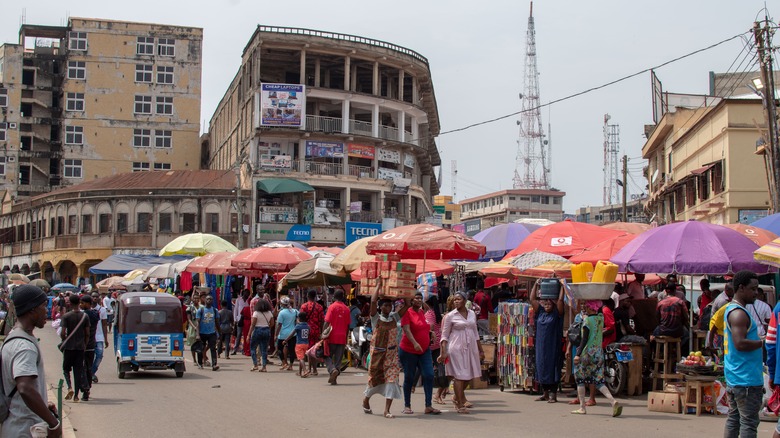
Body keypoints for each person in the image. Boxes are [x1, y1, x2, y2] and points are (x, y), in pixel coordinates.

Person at [1, 284, 61, 438]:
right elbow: (25, 388)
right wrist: (53, 424)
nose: (46, 310)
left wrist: (43, 405)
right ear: (32, 309)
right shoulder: (24, 346)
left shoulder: (14, 336)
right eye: (43, 306)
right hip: (25, 430)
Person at [723, 270, 763, 438]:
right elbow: (740, 343)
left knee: (734, 419)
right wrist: (763, 342)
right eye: (753, 289)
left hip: (736, 377)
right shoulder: (739, 313)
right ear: (741, 288)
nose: (756, 293)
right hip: (745, 379)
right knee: (748, 423)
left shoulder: (733, 310)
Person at [362, 283, 409, 419]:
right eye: (385, 305)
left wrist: (405, 291)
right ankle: (366, 399)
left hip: (392, 356)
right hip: (377, 355)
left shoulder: (394, 317)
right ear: (380, 307)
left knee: (392, 381)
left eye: (390, 305)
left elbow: (407, 306)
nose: (388, 308)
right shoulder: (375, 318)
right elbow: (372, 300)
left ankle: (386, 410)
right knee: (374, 381)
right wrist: (379, 284)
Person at [571, 300, 622, 417]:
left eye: (586, 306)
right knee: (598, 380)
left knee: (580, 379)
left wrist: (578, 354)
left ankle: (582, 407)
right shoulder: (600, 319)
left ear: (589, 308)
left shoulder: (587, 321)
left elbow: (584, 340)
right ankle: (613, 401)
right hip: (599, 353)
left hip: (587, 353)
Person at [439, 291, 482, 414]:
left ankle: (456, 397)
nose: (456, 301)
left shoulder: (472, 314)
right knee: (459, 376)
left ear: (465, 300)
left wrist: (481, 350)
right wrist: (443, 352)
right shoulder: (450, 316)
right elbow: (444, 335)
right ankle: (459, 404)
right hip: (456, 348)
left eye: (458, 299)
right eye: (454, 300)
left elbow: (475, 333)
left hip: (471, 347)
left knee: (469, 376)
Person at [530, 281, 564, 403]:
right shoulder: (540, 312)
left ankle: (553, 394)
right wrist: (536, 284)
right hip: (540, 346)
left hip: (552, 346)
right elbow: (532, 299)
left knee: (552, 368)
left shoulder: (557, 314)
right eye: (545, 303)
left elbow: (560, 301)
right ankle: (544, 393)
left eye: (549, 303)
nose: (547, 304)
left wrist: (562, 287)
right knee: (541, 366)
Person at [60, 294, 90, 402]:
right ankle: (76, 396)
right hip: (80, 347)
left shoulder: (66, 316)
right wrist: (85, 345)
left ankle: (69, 387)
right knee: (78, 371)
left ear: (70, 303)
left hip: (69, 347)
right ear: (79, 302)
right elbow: (87, 333)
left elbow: (63, 333)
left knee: (66, 369)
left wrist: (64, 341)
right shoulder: (84, 316)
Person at [323, 290, 350, 385]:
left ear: (334, 296)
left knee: (327, 355)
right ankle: (334, 378)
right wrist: (346, 337)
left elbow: (326, 321)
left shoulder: (332, 307)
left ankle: (332, 370)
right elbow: (347, 326)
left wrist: (323, 334)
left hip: (331, 336)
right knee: (338, 359)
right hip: (342, 336)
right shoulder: (346, 309)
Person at [80, 295, 99, 402]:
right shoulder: (96, 314)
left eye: (82, 303)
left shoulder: (83, 315)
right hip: (92, 345)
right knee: (88, 368)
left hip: (83, 345)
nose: (81, 305)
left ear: (88, 304)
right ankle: (88, 388)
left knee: (82, 368)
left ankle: (85, 390)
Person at [196, 295, 220, 371]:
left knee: (213, 349)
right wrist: (197, 334)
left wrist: (219, 333)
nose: (209, 300)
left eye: (210, 299)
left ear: (212, 301)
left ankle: (214, 364)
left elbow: (217, 322)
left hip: (212, 333)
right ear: (205, 300)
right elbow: (197, 323)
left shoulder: (215, 310)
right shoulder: (201, 310)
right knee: (201, 349)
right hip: (202, 333)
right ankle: (200, 363)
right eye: (207, 299)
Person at [249, 298, 274, 372]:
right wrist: (266, 328)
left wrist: (248, 334)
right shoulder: (269, 313)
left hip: (257, 330)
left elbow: (253, 324)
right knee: (264, 349)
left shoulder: (256, 313)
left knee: (253, 348)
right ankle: (264, 367)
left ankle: (255, 365)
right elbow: (272, 323)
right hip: (266, 330)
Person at [89, 292, 108, 383]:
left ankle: (91, 372)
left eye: (96, 297)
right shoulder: (86, 310)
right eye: (93, 297)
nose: (95, 298)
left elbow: (104, 325)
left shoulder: (102, 310)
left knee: (99, 355)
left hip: (99, 337)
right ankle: (89, 374)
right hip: (89, 337)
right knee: (89, 357)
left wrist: (106, 339)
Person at [275, 297, 297, 371]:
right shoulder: (294, 311)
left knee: (279, 349)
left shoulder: (281, 312)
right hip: (293, 333)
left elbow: (279, 325)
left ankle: (284, 363)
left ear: (282, 304)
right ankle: (290, 365)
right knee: (291, 350)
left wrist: (276, 335)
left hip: (283, 334)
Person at [286, 311, 310, 377]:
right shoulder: (307, 326)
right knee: (302, 357)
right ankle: (300, 372)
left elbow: (292, 334)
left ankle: (305, 371)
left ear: (299, 318)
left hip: (299, 343)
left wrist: (286, 340)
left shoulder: (298, 326)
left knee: (301, 358)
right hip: (306, 343)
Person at [232, 290, 250, 355]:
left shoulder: (249, 301)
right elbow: (235, 310)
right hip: (239, 319)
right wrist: (235, 319)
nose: (247, 295)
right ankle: (235, 349)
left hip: (246, 320)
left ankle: (244, 349)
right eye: (246, 293)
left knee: (245, 335)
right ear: (243, 293)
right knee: (239, 334)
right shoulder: (238, 300)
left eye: (248, 293)